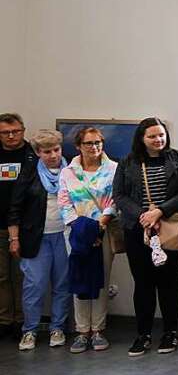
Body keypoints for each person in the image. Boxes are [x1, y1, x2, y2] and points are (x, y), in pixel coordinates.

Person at [112, 117, 178, 357]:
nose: (158, 140)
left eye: (161, 135)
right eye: (152, 136)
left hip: (170, 229)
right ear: (141, 139)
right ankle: (143, 334)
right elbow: (119, 195)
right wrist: (143, 215)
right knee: (143, 282)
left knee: (168, 281)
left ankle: (170, 332)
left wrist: (160, 211)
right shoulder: (128, 162)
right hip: (137, 229)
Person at [7, 129, 71, 351]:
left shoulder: (71, 170)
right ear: (38, 153)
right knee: (34, 286)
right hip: (35, 238)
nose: (52, 155)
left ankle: (58, 328)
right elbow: (14, 208)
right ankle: (30, 330)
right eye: (46, 151)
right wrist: (13, 238)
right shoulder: (29, 172)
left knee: (62, 285)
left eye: (56, 150)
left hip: (65, 237)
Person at [57, 126, 118, 353]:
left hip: (104, 231)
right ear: (78, 146)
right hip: (75, 233)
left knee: (100, 280)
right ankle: (82, 331)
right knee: (79, 278)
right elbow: (64, 203)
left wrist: (99, 226)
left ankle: (98, 330)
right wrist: (82, 230)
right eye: (89, 143)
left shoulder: (113, 169)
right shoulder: (68, 172)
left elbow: (114, 200)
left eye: (98, 143)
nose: (94, 147)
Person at [0, 112, 34, 339]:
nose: (11, 136)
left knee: (23, 276)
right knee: (1, 277)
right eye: (5, 132)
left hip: (26, 227)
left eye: (15, 131)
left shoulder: (34, 155)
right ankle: (4, 320)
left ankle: (23, 321)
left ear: (23, 130)